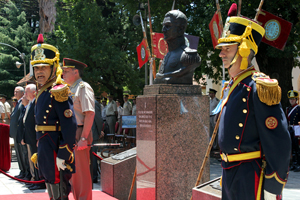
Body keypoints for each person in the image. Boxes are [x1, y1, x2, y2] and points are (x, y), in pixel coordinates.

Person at [216, 6, 291, 200]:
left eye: (227, 49)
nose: (221, 54)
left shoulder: (259, 87)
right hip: (228, 172)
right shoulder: (232, 86)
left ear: (244, 49)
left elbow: (279, 141)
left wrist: (273, 186)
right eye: (221, 49)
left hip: (249, 175)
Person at [31, 34, 77, 200]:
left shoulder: (58, 90)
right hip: (45, 147)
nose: (39, 72)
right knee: (51, 185)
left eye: (44, 67)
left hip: (55, 148)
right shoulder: (42, 91)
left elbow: (69, 125)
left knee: (60, 190)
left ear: (53, 66)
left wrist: (64, 153)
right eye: (36, 68)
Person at [62, 58, 95, 200]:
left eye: (66, 71)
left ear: (76, 72)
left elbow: (90, 113)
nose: (62, 74)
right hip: (69, 133)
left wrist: (83, 138)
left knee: (80, 173)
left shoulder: (83, 87)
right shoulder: (69, 88)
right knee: (73, 174)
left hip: (79, 132)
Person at [153, 10, 201, 84]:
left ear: (181, 29)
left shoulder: (189, 56)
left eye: (168, 26)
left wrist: (161, 77)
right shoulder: (167, 57)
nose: (163, 30)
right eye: (163, 26)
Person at [23, 84, 46, 190]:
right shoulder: (30, 103)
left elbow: (37, 121)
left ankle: (39, 180)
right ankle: (34, 179)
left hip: (34, 137)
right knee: (31, 159)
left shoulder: (36, 103)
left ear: (33, 92)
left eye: (26, 92)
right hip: (29, 137)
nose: (25, 94)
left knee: (35, 160)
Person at [9, 86, 25, 179]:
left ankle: (25, 172)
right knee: (19, 154)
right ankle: (22, 171)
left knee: (22, 154)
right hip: (16, 133)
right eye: (14, 92)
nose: (15, 93)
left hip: (19, 133)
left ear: (22, 93)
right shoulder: (18, 103)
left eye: (17, 92)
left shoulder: (22, 103)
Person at [286, 90, 300, 172]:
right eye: (291, 99)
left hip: (297, 129)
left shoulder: (298, 108)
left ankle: (298, 164)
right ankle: (294, 163)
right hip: (291, 128)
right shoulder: (289, 109)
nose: (292, 100)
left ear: (296, 100)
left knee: (297, 148)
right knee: (293, 147)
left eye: (293, 99)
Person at [91, 99, 103, 183]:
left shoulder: (93, 103)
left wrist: (98, 132)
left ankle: (93, 176)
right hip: (90, 133)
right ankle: (92, 176)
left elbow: (98, 119)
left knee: (92, 156)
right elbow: (98, 119)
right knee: (91, 157)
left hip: (91, 133)